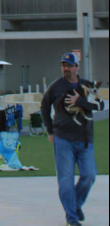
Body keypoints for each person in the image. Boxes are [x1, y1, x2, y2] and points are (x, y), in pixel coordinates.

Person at [41, 53, 104, 226]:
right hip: (63, 140)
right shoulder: (56, 86)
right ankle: (72, 218)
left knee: (89, 175)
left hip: (85, 139)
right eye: (64, 65)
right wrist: (50, 131)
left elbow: (100, 105)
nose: (66, 68)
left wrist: (80, 101)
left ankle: (75, 205)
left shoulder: (87, 86)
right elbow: (44, 107)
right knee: (66, 181)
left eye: (69, 65)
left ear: (77, 67)